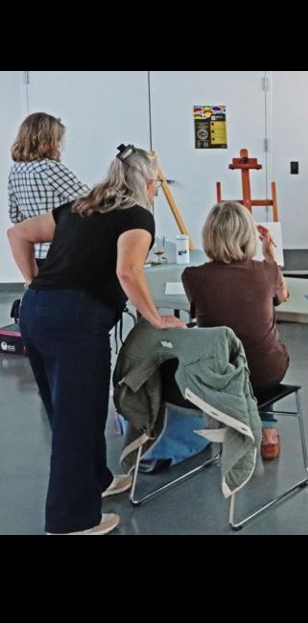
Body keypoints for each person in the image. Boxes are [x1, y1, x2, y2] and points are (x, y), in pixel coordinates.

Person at [7, 145, 186, 535]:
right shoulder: (138, 217)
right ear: (146, 182)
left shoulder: (80, 208)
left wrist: (33, 282)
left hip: (36, 313)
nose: (156, 190)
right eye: (156, 183)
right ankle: (70, 521)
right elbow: (128, 271)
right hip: (75, 321)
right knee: (79, 417)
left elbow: (17, 233)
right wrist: (155, 318)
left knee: (68, 411)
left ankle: (98, 481)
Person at [181, 202, 291, 461]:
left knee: (237, 353)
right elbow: (282, 295)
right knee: (260, 350)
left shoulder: (192, 276)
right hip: (268, 374)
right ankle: (268, 432)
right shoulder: (266, 271)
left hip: (220, 376)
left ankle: (231, 424)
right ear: (247, 236)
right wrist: (270, 257)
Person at [8, 112, 89, 265]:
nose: (59, 145)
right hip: (61, 248)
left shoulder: (16, 169)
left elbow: (15, 215)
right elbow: (88, 198)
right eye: (57, 139)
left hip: (35, 252)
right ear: (45, 140)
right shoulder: (49, 168)